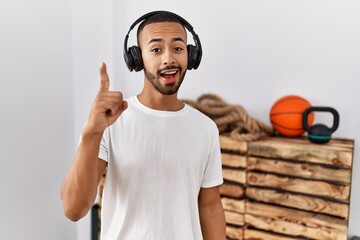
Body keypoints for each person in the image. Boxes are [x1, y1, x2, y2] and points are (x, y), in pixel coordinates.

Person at [61, 10, 226, 240]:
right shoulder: (112, 122)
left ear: (192, 55)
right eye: (156, 49)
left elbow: (210, 208)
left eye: (178, 48)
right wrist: (92, 132)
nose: (168, 58)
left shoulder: (205, 128)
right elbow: (73, 209)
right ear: (137, 58)